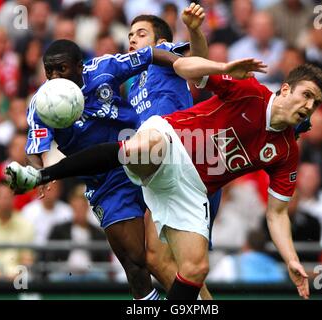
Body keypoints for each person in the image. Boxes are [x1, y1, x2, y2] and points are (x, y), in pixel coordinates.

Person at [6, 56, 322, 300]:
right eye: (306, 95)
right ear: (286, 88)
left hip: (192, 191)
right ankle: (41, 175)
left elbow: (277, 213)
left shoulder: (286, 152)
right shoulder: (250, 93)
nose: (309, 105)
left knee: (196, 269)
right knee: (143, 149)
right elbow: (186, 67)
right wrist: (224, 64)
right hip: (173, 141)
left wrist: (291, 259)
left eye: (315, 103)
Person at [21, 5, 207, 300]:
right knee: (137, 262)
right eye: (49, 71)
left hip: (143, 159)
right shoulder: (41, 105)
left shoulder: (103, 68)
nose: (54, 76)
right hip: (106, 184)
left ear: (80, 65)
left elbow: (148, 55)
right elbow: (35, 148)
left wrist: (179, 65)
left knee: (168, 259)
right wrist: (40, 173)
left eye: (62, 69)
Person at [127, 7, 221, 299]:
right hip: (161, 174)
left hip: (187, 161)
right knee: (163, 262)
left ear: (160, 41)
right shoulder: (132, 85)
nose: (132, 39)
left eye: (141, 34)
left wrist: (194, 29)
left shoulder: (165, 55)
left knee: (173, 262)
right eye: (129, 35)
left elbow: (199, 60)